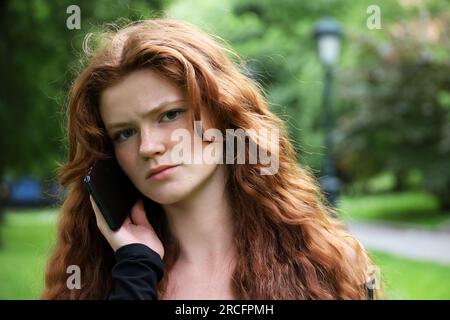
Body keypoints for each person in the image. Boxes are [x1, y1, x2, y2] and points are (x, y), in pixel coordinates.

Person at [41, 18, 379, 300]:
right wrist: (136, 271)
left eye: (170, 114)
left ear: (224, 113)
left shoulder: (330, 262)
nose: (148, 146)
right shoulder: (95, 279)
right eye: (124, 133)